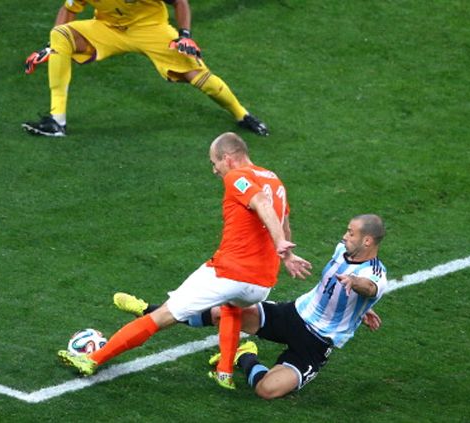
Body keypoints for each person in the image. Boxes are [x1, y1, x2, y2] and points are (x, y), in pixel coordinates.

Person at [58, 132, 312, 389]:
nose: (215, 170)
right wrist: (287, 255)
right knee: (231, 308)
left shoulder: (237, 176)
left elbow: (260, 203)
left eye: (215, 163)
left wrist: (280, 243)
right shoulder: (274, 179)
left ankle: (92, 359)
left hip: (230, 272)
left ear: (228, 158)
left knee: (163, 315)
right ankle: (224, 371)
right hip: (261, 284)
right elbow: (283, 220)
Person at [113, 214, 387, 399]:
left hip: (316, 342)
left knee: (267, 390)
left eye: (351, 233)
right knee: (224, 311)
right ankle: (150, 310)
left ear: (367, 241)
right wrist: (361, 308)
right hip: (294, 313)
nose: (344, 236)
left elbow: (370, 287)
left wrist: (359, 288)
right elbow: (336, 289)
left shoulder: (376, 273)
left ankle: (244, 355)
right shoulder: (342, 251)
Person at [22, 0, 269, 138]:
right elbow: (68, 9)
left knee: (197, 76)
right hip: (108, 29)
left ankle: (241, 114)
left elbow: (180, 2)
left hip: (151, 28)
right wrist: (49, 47)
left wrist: (184, 35)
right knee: (61, 35)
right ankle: (57, 121)